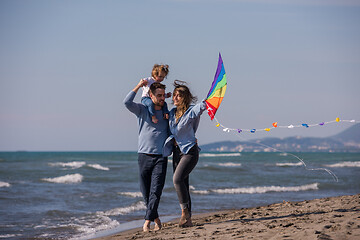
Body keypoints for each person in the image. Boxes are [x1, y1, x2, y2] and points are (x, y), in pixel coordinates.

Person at [124, 79, 170, 232]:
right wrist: (138, 86)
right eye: (159, 95)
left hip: (160, 157)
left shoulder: (166, 114)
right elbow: (126, 102)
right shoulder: (143, 109)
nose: (162, 98)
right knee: (145, 193)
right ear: (151, 95)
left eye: (163, 95)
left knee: (156, 191)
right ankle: (156, 218)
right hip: (143, 156)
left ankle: (146, 222)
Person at [163, 80, 207, 228]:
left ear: (185, 98)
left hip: (190, 151)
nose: (175, 98)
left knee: (176, 179)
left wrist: (209, 99)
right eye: (174, 95)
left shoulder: (191, 111)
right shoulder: (171, 113)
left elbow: (202, 106)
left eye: (179, 96)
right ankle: (188, 220)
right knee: (184, 184)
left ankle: (184, 213)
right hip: (177, 152)